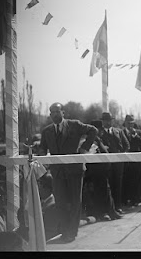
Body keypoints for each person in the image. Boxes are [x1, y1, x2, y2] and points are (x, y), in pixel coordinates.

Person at [38, 102, 98, 243]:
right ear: (50, 115)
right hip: (58, 173)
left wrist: (84, 148)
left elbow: (93, 130)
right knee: (60, 202)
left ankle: (72, 232)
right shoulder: (47, 131)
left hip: (74, 171)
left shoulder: (74, 125)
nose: (55, 114)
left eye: (57, 112)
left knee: (75, 202)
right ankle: (65, 231)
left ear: (63, 113)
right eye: (52, 112)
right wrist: (35, 155)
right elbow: (42, 149)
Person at [85, 120, 120, 221]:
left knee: (106, 191)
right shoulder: (92, 141)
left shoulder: (98, 139)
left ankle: (111, 212)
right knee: (101, 193)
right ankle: (104, 213)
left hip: (103, 171)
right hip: (96, 172)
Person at [99, 112, 130, 215]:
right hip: (106, 164)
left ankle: (118, 206)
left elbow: (126, 145)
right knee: (107, 186)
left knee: (118, 185)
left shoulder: (119, 132)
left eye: (109, 120)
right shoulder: (99, 134)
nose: (107, 122)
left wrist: (122, 155)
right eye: (105, 120)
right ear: (102, 122)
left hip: (118, 164)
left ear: (112, 121)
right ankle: (108, 209)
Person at [122, 115, 141, 207]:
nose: (130, 125)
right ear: (125, 123)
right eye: (128, 123)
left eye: (132, 123)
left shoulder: (138, 132)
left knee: (137, 179)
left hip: (137, 159)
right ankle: (128, 198)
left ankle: (137, 198)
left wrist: (136, 136)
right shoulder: (122, 132)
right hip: (127, 160)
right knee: (128, 179)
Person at [38, 171, 61, 240]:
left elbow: (50, 231)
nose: (37, 190)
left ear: (46, 188)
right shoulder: (41, 202)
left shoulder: (52, 206)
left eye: (39, 187)